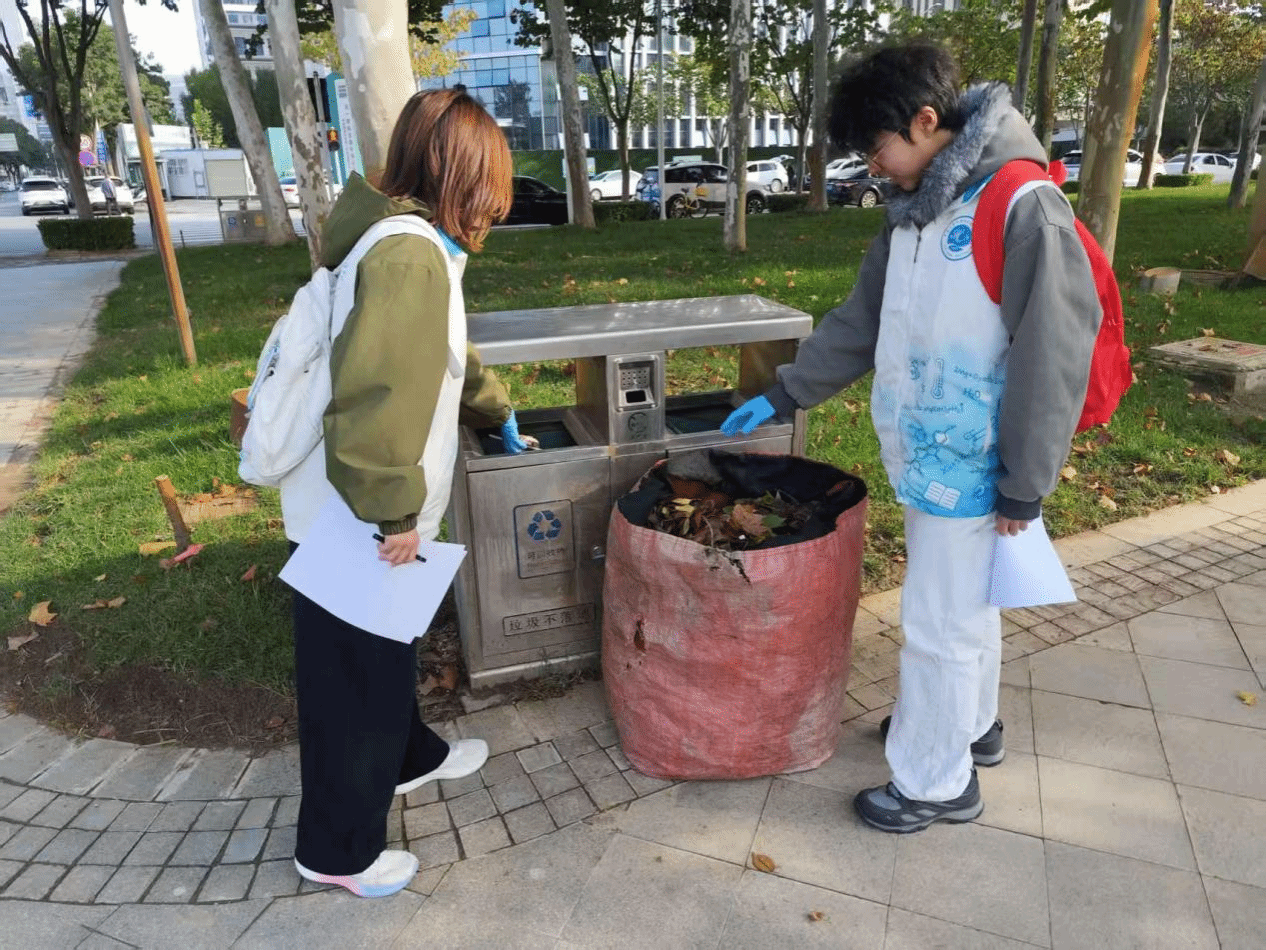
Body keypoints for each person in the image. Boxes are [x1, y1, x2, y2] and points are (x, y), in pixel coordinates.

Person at [722, 43, 1101, 833]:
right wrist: (786, 391)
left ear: (926, 122)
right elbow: (864, 319)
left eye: (877, 150)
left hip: (979, 465)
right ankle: (967, 727)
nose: (874, 168)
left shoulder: (1021, 205)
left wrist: (1025, 483)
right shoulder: (916, 208)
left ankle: (935, 781)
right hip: (928, 456)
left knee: (936, 623)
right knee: (964, 608)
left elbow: (1054, 354)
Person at [279, 88, 533, 897]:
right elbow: (379, 394)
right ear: (459, 173)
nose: (494, 203)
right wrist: (392, 513)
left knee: (384, 647)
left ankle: (409, 757)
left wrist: (496, 410)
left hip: (359, 497)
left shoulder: (408, 240)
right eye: (490, 182)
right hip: (358, 506)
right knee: (349, 679)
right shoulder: (406, 253)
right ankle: (336, 851)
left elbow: (446, 350)